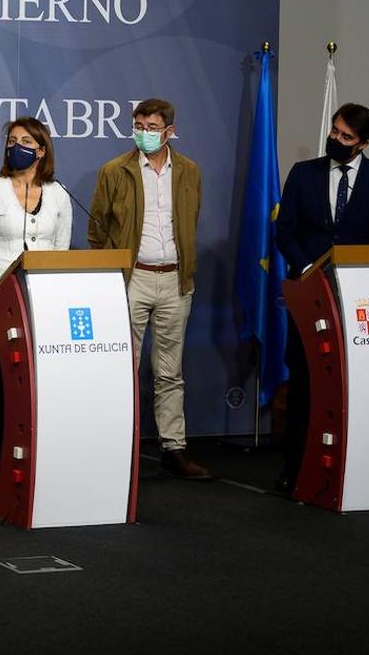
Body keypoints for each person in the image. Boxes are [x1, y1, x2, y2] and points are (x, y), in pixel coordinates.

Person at [274, 102, 369, 494]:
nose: (337, 140)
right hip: (309, 294)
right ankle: (295, 470)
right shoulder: (304, 174)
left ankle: (355, 469)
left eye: (346, 137)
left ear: (362, 144)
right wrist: (310, 268)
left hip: (359, 300)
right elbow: (286, 232)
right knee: (305, 381)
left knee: (355, 384)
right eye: (335, 132)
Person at [88, 98, 211, 480]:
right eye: (138, 125)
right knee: (123, 366)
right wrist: (116, 269)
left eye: (152, 127)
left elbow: (191, 222)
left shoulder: (189, 171)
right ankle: (117, 447)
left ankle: (174, 449)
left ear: (170, 132)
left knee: (170, 371)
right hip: (132, 279)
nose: (143, 132)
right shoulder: (115, 170)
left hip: (175, 279)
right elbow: (98, 229)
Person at [0, 117, 71, 500]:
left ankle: (41, 468)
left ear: (41, 150)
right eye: (12, 141)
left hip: (43, 305)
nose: (17, 146)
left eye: (26, 141)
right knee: (2, 390)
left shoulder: (59, 195)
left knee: (40, 390)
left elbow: (61, 250)